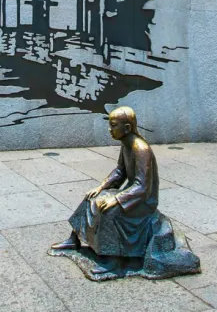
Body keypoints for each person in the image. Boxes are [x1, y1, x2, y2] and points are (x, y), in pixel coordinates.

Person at [52, 107, 161, 270]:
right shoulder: (126, 144)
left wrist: (116, 199)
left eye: (114, 125)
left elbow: (143, 186)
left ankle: (112, 260)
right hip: (132, 193)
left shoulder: (140, 149)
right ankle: (74, 239)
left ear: (127, 128)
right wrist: (102, 187)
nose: (110, 129)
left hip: (143, 200)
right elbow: (120, 172)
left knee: (108, 210)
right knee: (92, 197)